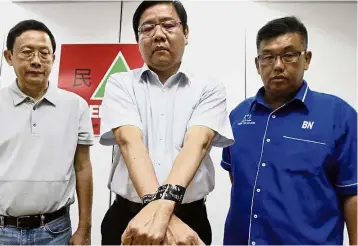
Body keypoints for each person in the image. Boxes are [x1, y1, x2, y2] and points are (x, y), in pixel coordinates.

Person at [99, 1, 233, 245]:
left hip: (190, 218)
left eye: (168, 25)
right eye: (147, 28)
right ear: (138, 39)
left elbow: (198, 143)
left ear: (186, 32)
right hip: (126, 217)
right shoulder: (120, 83)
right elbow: (129, 142)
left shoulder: (209, 87)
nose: (158, 35)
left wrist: (160, 214)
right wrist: (163, 216)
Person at [221, 16, 357, 245]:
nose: (278, 65)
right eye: (268, 57)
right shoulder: (238, 116)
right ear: (257, 64)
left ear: (307, 59)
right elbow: (237, 177)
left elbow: (353, 194)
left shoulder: (339, 116)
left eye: (289, 55)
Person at [0, 20, 94, 245]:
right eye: (26, 52)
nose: (36, 61)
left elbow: (82, 167)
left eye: (44, 53)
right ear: (9, 56)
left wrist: (84, 229)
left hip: (54, 231)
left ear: (54, 58)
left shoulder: (76, 106)